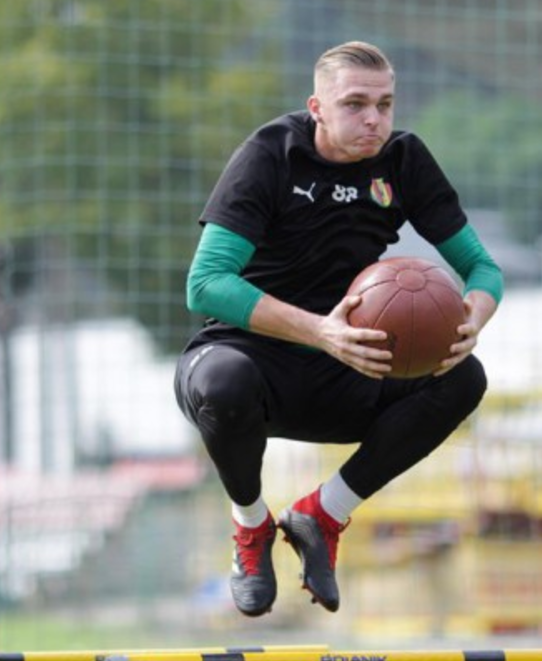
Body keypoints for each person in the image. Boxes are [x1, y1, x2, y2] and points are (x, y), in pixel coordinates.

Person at [174, 41, 502, 617]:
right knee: (223, 382)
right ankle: (251, 527)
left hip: (349, 368)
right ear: (317, 108)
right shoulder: (270, 154)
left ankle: (322, 515)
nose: (373, 118)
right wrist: (322, 331)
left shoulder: (404, 161)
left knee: (464, 377)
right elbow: (205, 284)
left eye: (385, 104)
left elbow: (483, 269)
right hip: (249, 362)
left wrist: (472, 318)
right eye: (354, 104)